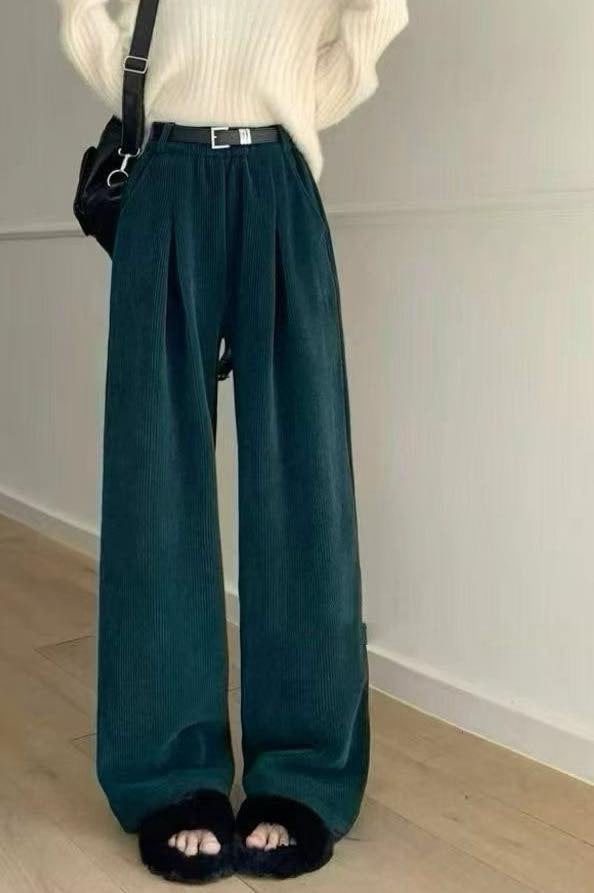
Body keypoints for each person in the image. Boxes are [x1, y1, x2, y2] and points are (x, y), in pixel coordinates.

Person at [56, 0, 409, 882]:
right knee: (154, 479)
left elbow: (370, 26)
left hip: (278, 182)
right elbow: (88, 30)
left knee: (305, 480)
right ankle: (169, 773)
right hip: (163, 182)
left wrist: (285, 94)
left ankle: (304, 771)